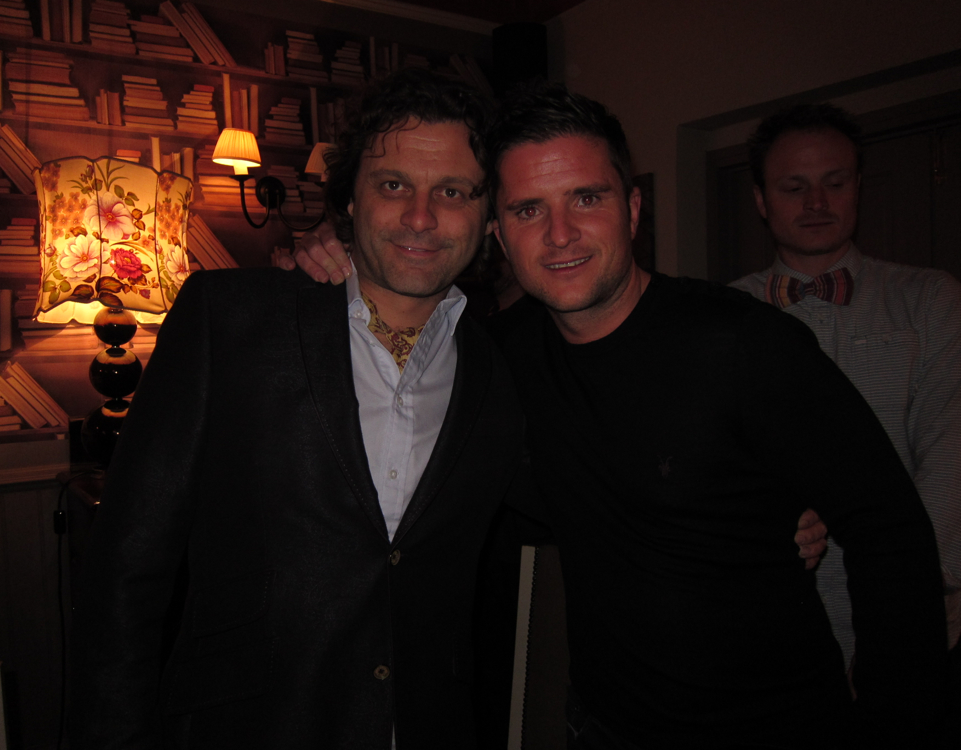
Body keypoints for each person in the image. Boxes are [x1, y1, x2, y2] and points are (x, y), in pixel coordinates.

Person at [297, 84, 948, 748]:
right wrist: (332, 253)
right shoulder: (493, 362)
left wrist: (892, 718)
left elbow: (889, 530)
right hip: (602, 725)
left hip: (777, 728)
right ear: (498, 234)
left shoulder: (743, 344)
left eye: (587, 198)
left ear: (633, 210)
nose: (560, 234)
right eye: (529, 209)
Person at [69, 69, 527, 750]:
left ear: (487, 218)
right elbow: (126, 567)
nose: (421, 216)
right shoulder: (231, 319)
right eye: (393, 184)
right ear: (350, 199)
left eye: (453, 191)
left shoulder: (501, 369)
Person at [730, 102, 961, 731]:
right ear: (761, 199)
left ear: (858, 186)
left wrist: (897, 628)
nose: (816, 202)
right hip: (768, 629)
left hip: (912, 621)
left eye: (834, 182)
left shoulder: (930, 300)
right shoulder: (723, 314)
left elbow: (949, 458)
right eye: (793, 186)